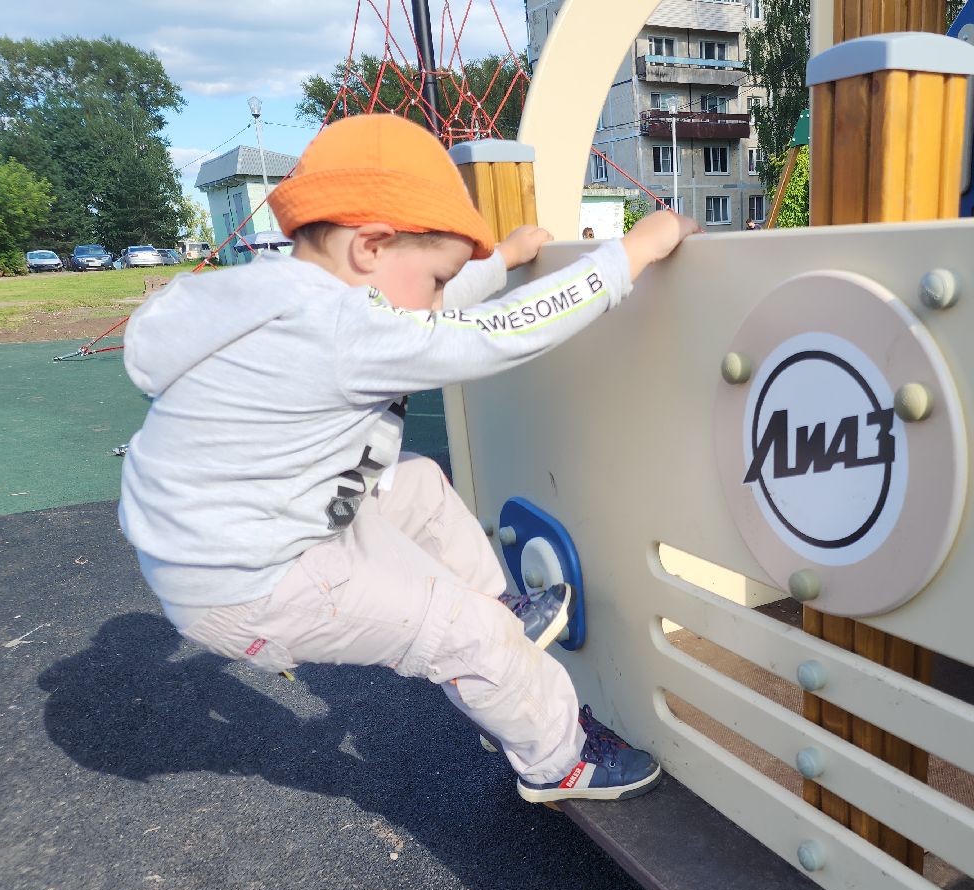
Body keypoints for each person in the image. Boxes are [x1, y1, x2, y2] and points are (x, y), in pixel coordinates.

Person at [117, 114, 701, 803]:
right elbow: (493, 334)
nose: (437, 298)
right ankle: (559, 763)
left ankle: (502, 622)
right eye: (438, 277)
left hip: (235, 538)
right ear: (370, 245)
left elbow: (418, 310)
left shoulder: (275, 294)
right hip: (252, 582)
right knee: (466, 633)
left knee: (417, 485)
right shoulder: (339, 327)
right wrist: (631, 253)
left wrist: (498, 262)